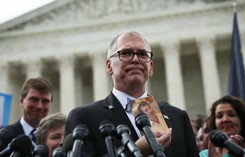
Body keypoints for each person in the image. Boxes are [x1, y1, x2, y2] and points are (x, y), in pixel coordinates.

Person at [65, 31, 199, 157]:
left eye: (142, 54)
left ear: (150, 68)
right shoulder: (84, 118)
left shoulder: (177, 117)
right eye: (125, 53)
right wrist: (134, 152)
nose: (136, 59)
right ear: (109, 65)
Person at [0, 77, 53, 155]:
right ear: (21, 101)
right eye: (34, 100)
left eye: (45, 101)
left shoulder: (56, 140)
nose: (39, 106)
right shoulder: (4, 137)